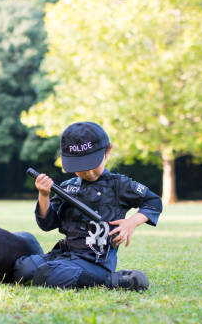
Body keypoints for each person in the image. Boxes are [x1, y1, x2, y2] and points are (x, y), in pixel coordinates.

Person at [14, 121, 162, 290]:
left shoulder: (119, 185)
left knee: (47, 274)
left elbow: (153, 201)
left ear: (107, 152)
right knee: (22, 268)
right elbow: (47, 224)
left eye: (92, 165)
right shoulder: (67, 187)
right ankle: (57, 270)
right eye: (81, 168)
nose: (88, 172)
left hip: (95, 260)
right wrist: (44, 195)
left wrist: (132, 222)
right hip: (65, 255)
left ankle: (111, 280)